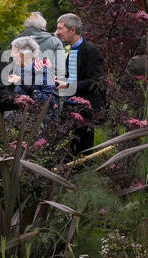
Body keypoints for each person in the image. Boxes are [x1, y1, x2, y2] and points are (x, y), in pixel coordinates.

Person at [54, 13, 105, 155]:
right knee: (68, 150)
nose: (57, 32)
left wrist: (69, 85)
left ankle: (84, 175)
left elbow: (96, 81)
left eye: (60, 28)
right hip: (69, 107)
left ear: (72, 30)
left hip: (85, 110)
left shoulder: (90, 50)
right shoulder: (71, 50)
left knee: (83, 151)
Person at [8, 35, 60, 119]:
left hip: (40, 125)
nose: (11, 55)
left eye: (14, 51)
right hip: (20, 123)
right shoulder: (17, 71)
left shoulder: (43, 72)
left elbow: (49, 102)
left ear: (24, 53)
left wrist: (23, 84)